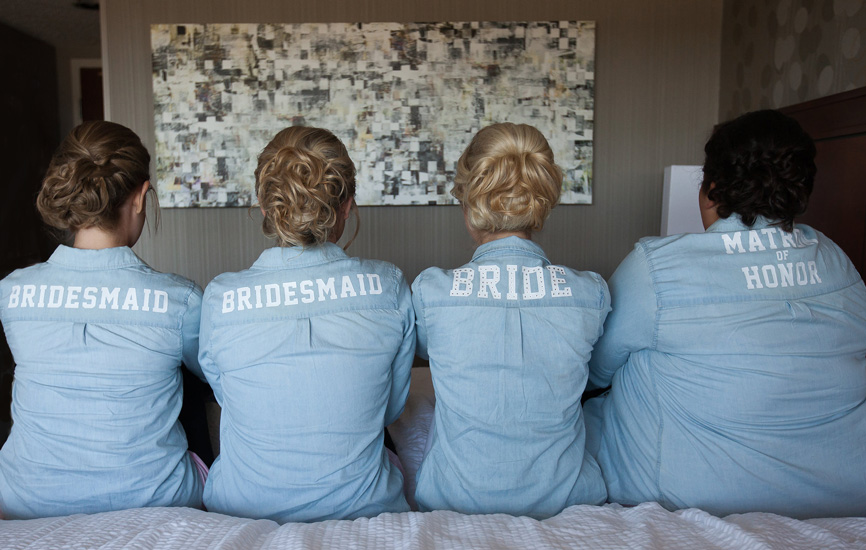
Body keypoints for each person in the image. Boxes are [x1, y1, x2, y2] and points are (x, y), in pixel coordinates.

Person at [584, 109, 866, 518]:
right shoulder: (833, 256)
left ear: (711, 190)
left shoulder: (657, 268)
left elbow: (594, 368)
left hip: (692, 493)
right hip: (843, 492)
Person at [199, 126, 414, 523]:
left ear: (264, 207)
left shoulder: (220, 298)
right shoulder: (389, 286)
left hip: (242, 510)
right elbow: (389, 409)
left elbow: (229, 398)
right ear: (347, 204)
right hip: (365, 511)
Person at [0, 121, 207, 519]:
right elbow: (220, 378)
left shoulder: (12, 292)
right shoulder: (179, 301)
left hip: (24, 500)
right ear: (141, 197)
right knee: (189, 382)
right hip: (152, 499)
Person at [412, 123, 609, 519]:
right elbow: (599, 378)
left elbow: (421, 354)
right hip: (568, 501)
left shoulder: (431, 292)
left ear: (468, 206)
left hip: (455, 500)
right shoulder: (592, 293)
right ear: (541, 206)